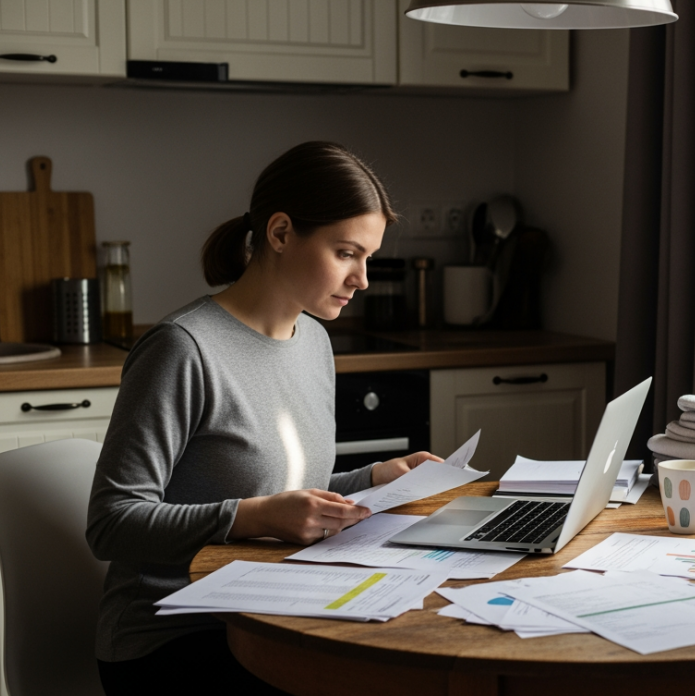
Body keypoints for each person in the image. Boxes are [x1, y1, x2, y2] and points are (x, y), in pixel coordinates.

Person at [86, 142, 442, 694]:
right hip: (173, 637)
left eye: (368, 257)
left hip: (273, 609)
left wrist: (374, 479)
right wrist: (253, 518)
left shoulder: (314, 340)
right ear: (279, 233)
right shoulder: (183, 349)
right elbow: (111, 523)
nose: (363, 279)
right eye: (347, 253)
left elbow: (283, 496)